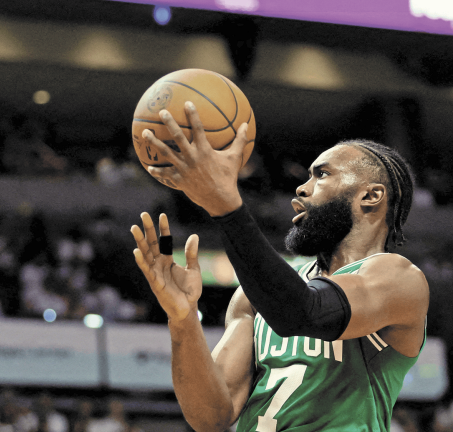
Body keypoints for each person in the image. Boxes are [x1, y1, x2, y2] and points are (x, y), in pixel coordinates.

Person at [130, 102, 429, 431]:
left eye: (322, 174)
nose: (301, 188)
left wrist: (224, 204)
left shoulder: (399, 280)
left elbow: (304, 312)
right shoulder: (252, 298)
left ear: (370, 196)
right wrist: (183, 319)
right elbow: (211, 417)